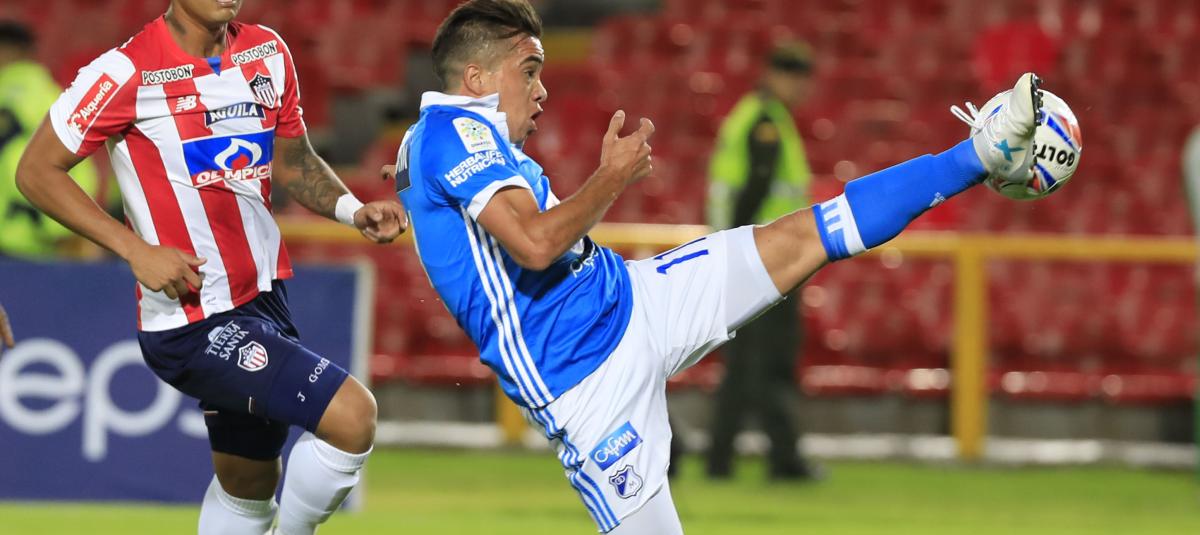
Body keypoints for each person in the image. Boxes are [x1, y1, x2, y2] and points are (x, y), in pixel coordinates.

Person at [395, 0, 1042, 532]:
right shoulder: (455, 132)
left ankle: (979, 154)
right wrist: (611, 176)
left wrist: (374, 206)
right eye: (528, 70)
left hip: (635, 299)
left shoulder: (437, 140)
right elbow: (535, 245)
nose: (542, 90)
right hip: (585, 384)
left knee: (807, 234)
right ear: (475, 79)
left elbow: (422, 182)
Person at [15, 1, 406, 534]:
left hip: (263, 297)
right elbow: (36, 171)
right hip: (191, 314)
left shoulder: (267, 52)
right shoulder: (124, 71)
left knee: (248, 482)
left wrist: (352, 209)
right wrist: (133, 249)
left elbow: (293, 162)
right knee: (352, 417)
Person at [705, 41, 818, 481]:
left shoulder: (753, 116)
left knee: (743, 364)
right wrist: (739, 251)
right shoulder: (766, 123)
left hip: (752, 256)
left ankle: (720, 459)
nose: (801, 87)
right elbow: (755, 189)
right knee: (769, 362)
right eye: (795, 76)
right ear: (774, 75)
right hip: (767, 259)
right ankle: (783, 459)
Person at [0, 21, 102, 259]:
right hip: (43, 237)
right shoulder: (52, 93)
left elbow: (15, 157)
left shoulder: (11, 93)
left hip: (16, 236)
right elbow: (79, 164)